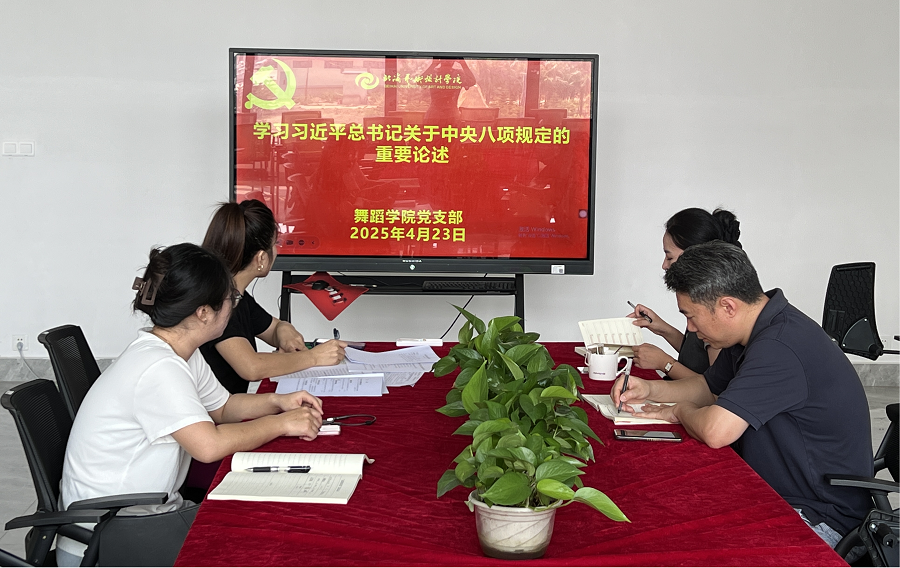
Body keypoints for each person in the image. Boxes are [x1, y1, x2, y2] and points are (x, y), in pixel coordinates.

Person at [57, 243, 325, 566]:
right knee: (258, 538)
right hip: (110, 537)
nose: (234, 306)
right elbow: (209, 446)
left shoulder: (178, 351)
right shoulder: (158, 368)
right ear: (204, 313)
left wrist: (277, 402)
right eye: (231, 299)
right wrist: (281, 424)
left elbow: (224, 408)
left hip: (142, 518)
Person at [612, 241, 873, 549]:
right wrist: (649, 389)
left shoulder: (779, 346)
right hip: (776, 492)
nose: (690, 328)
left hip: (819, 517)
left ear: (728, 307)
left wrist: (677, 411)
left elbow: (716, 431)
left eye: (691, 316)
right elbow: (708, 389)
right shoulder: (751, 331)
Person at [199, 199, 347, 394]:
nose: (276, 251)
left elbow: (273, 327)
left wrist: (283, 330)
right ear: (261, 258)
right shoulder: (218, 303)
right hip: (218, 411)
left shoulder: (237, 295)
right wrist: (315, 357)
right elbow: (251, 367)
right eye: (274, 244)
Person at [628, 207, 741, 378]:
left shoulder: (715, 308)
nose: (664, 265)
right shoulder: (704, 296)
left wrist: (665, 363)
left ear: (693, 255)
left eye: (670, 257)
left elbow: (712, 388)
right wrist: (662, 329)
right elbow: (696, 357)